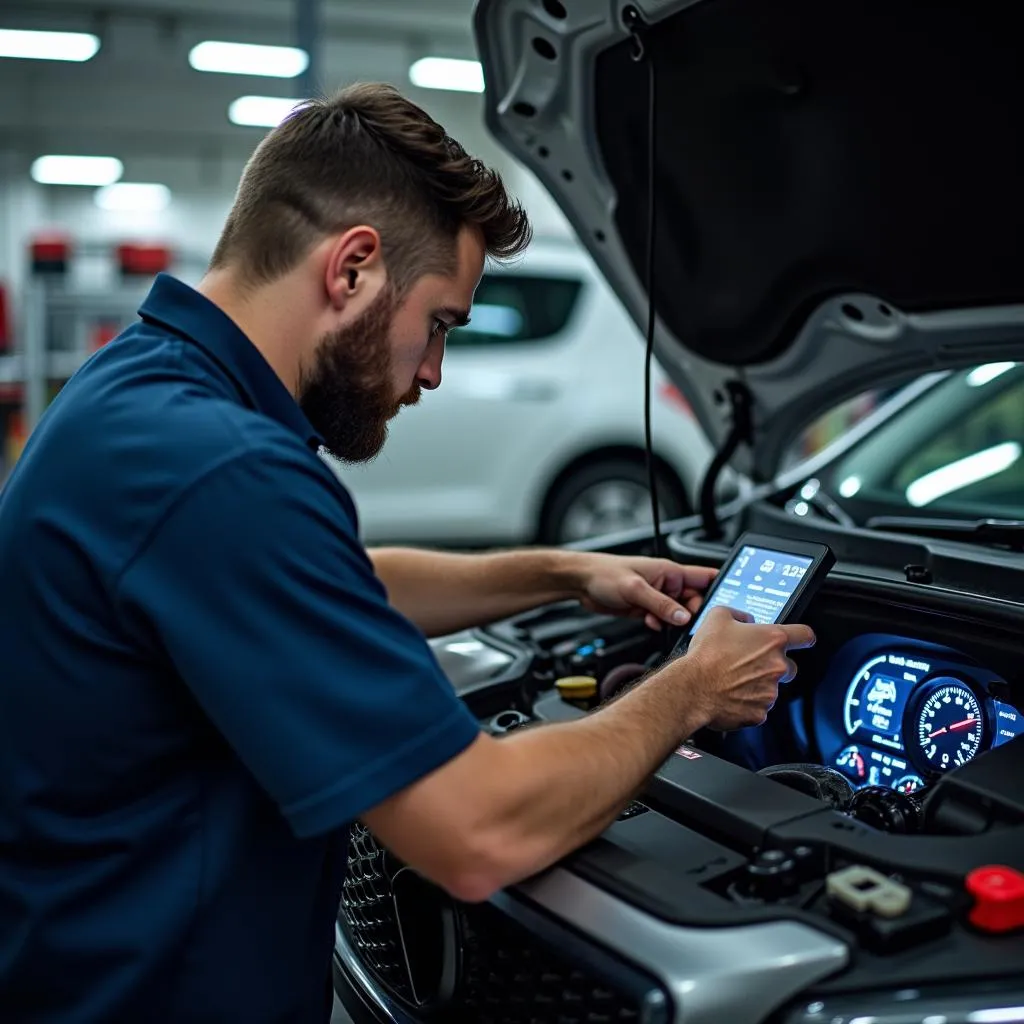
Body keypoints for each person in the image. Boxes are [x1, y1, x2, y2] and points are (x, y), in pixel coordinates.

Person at [0, 83, 814, 1022]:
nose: (431, 371)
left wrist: (559, 572)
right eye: (440, 323)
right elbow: (477, 831)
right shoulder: (223, 470)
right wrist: (691, 690)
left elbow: (323, 586)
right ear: (352, 268)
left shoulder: (142, 390)